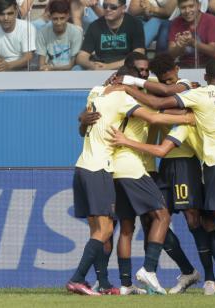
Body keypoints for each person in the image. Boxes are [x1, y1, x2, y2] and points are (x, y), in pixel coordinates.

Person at [117, 59, 215, 296]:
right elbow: (162, 91)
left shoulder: (198, 97)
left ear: (204, 76)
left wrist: (126, 84)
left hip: (214, 165)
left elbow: (158, 102)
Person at [67, 65, 194, 296]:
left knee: (110, 228)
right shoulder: (123, 99)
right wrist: (188, 117)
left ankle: (105, 283)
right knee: (108, 229)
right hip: (103, 168)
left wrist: (81, 118)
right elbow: (154, 114)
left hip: (84, 167)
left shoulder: (95, 92)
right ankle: (78, 278)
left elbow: (83, 126)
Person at [75, 0, 146, 70]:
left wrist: (108, 67)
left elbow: (139, 54)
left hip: (125, 66)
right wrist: (92, 65)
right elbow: (81, 56)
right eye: (105, 6)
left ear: (123, 8)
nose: (108, 9)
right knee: (77, 68)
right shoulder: (94, 26)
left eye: (113, 7)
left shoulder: (135, 24)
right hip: (100, 64)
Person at [168, 0, 215, 68]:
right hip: (185, 65)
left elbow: (213, 51)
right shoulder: (176, 22)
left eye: (191, 6)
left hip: (211, 65)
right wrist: (180, 46)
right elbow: (171, 54)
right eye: (183, 7)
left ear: (199, 6)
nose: (187, 11)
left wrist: (193, 43)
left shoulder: (211, 20)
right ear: (179, 8)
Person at [0, 0, 37, 71]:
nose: (6, 18)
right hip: (2, 71)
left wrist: (9, 65)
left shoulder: (26, 27)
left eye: (10, 13)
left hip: (25, 70)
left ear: (16, 12)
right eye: (1, 14)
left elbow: (28, 58)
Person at [36, 0, 83, 71]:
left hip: (70, 72)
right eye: (55, 19)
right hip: (49, 72)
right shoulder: (42, 33)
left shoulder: (76, 32)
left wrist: (51, 68)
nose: (59, 23)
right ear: (50, 16)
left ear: (67, 16)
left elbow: (71, 65)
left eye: (62, 18)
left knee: (77, 69)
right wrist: (46, 68)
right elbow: (41, 64)